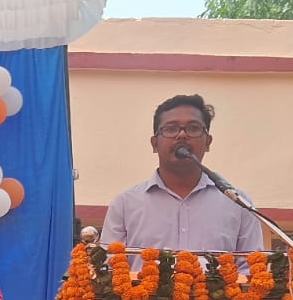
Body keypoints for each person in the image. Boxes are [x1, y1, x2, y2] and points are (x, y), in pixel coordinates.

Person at [101, 94, 264, 254]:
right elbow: (108, 266)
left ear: (208, 142)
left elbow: (252, 266)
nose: (182, 135)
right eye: (171, 129)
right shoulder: (125, 205)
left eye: (193, 128)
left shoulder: (238, 204)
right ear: (154, 144)